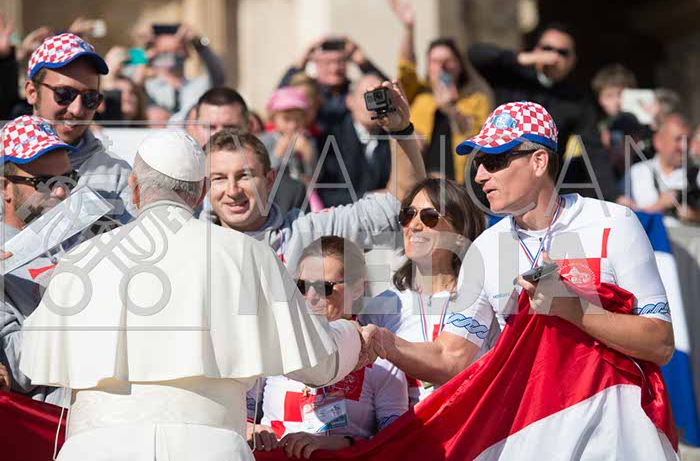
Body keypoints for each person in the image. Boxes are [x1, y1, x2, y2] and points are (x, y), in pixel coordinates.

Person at [20, 129, 380, 461]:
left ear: (134, 189)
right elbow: (320, 362)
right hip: (207, 448)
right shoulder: (247, 255)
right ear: (202, 191)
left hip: (94, 450)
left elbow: (30, 359)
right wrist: (353, 336)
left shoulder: (80, 261)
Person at [372, 101, 674, 387]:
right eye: (478, 163)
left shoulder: (614, 222)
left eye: (493, 161)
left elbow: (661, 342)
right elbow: (451, 357)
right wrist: (384, 343)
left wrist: (577, 311)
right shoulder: (486, 248)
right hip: (534, 422)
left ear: (538, 161)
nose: (479, 176)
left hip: (611, 420)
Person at [205, 80, 426, 270]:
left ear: (270, 179)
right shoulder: (190, 243)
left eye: (245, 176)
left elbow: (399, 204)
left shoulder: (304, 235)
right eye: (219, 178)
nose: (232, 190)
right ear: (205, 184)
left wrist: (401, 131)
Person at [250, 236, 408, 457]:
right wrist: (250, 429)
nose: (310, 297)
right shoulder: (271, 343)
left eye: (324, 288)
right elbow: (236, 413)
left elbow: (395, 442)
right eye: (301, 286)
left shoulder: (379, 358)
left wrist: (342, 443)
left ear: (358, 289)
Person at [360, 178, 486, 405]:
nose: (414, 226)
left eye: (429, 217)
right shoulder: (382, 307)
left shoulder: (483, 298)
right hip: (403, 425)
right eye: (408, 215)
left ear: (460, 234)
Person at [468, 23, 621, 202]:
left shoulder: (576, 101)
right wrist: (524, 58)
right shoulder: (511, 78)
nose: (553, 57)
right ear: (536, 50)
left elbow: (594, 151)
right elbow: (476, 54)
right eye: (547, 49)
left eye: (562, 52)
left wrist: (615, 197)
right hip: (488, 181)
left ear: (573, 60)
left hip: (535, 192)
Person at [0, 116, 77, 405]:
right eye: (43, 182)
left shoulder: (86, 236)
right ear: (5, 188)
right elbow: (15, 369)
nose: (60, 191)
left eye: (68, 178)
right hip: (54, 421)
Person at [24, 33, 135, 223]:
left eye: (90, 98)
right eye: (64, 94)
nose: (77, 110)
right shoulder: (4, 161)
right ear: (32, 92)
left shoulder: (118, 175)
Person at [389, 0, 489, 184]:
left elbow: (476, 140)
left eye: (448, 61)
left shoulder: (476, 100)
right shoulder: (419, 95)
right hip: (420, 184)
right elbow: (406, 68)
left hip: (458, 186)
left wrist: (451, 109)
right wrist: (409, 29)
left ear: (459, 66)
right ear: (428, 67)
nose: (442, 67)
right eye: (435, 61)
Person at [193, 86, 309, 215]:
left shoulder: (290, 194)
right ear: (195, 128)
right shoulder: (178, 192)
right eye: (210, 127)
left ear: (249, 127)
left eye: (230, 127)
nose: (219, 134)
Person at [278, 37, 387, 132]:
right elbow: (279, 101)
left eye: (340, 62)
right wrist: (299, 65)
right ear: (316, 64)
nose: (335, 68)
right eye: (328, 63)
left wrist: (364, 63)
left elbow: (387, 95)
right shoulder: (310, 93)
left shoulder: (354, 92)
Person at [316, 74, 392, 207]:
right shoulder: (331, 138)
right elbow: (325, 194)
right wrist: (370, 197)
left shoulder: (393, 139)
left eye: (378, 96)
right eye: (366, 97)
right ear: (350, 101)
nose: (373, 104)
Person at [139, 24, 226, 120]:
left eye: (177, 50)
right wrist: (143, 51)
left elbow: (217, 73)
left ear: (187, 53)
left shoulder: (198, 86)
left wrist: (199, 43)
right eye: (164, 52)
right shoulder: (147, 86)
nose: (171, 56)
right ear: (154, 54)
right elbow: (132, 82)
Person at [629, 113, 700, 223]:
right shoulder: (635, 174)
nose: (684, 146)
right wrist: (660, 205)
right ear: (658, 141)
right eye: (678, 139)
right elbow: (625, 220)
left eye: (687, 140)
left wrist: (694, 216)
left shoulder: (696, 175)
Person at [259, 86, 317, 181]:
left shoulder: (307, 140)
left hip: (302, 188)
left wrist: (308, 155)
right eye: (286, 119)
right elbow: (262, 174)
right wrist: (277, 154)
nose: (293, 125)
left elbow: (316, 175)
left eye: (298, 119)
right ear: (273, 118)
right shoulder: (265, 140)